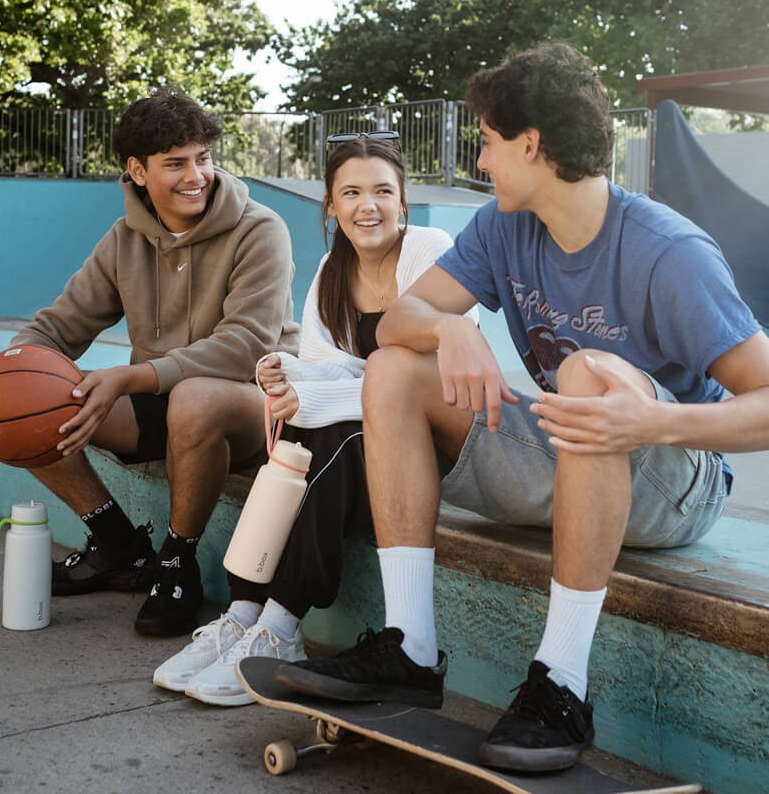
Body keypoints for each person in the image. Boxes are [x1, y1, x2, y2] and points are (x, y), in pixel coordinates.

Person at [274, 43, 769, 772]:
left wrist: (657, 421)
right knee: (393, 370)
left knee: (588, 374)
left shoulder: (669, 252)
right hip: (573, 452)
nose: (480, 161)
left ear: (531, 145)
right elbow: (402, 319)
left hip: (674, 481)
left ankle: (561, 682)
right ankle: (409, 646)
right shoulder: (506, 228)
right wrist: (447, 328)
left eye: (489, 142)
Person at [151, 132, 479, 706]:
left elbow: (412, 391)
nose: (367, 206)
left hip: (432, 446)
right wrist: (288, 375)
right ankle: (246, 613)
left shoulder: (431, 250)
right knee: (306, 432)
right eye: (350, 192)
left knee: (336, 431)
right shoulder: (332, 270)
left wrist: (313, 395)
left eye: (382, 191)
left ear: (404, 200)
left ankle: (280, 624)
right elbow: (335, 374)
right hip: (362, 439)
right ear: (329, 205)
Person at [0, 89, 299, 637]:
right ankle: (119, 546)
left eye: (203, 158)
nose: (197, 175)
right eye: (176, 163)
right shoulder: (124, 240)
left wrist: (131, 375)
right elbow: (57, 329)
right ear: (138, 171)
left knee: (194, 398)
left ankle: (178, 560)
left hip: (253, 404)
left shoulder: (261, 230)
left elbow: (245, 344)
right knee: (24, 402)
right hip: (161, 402)